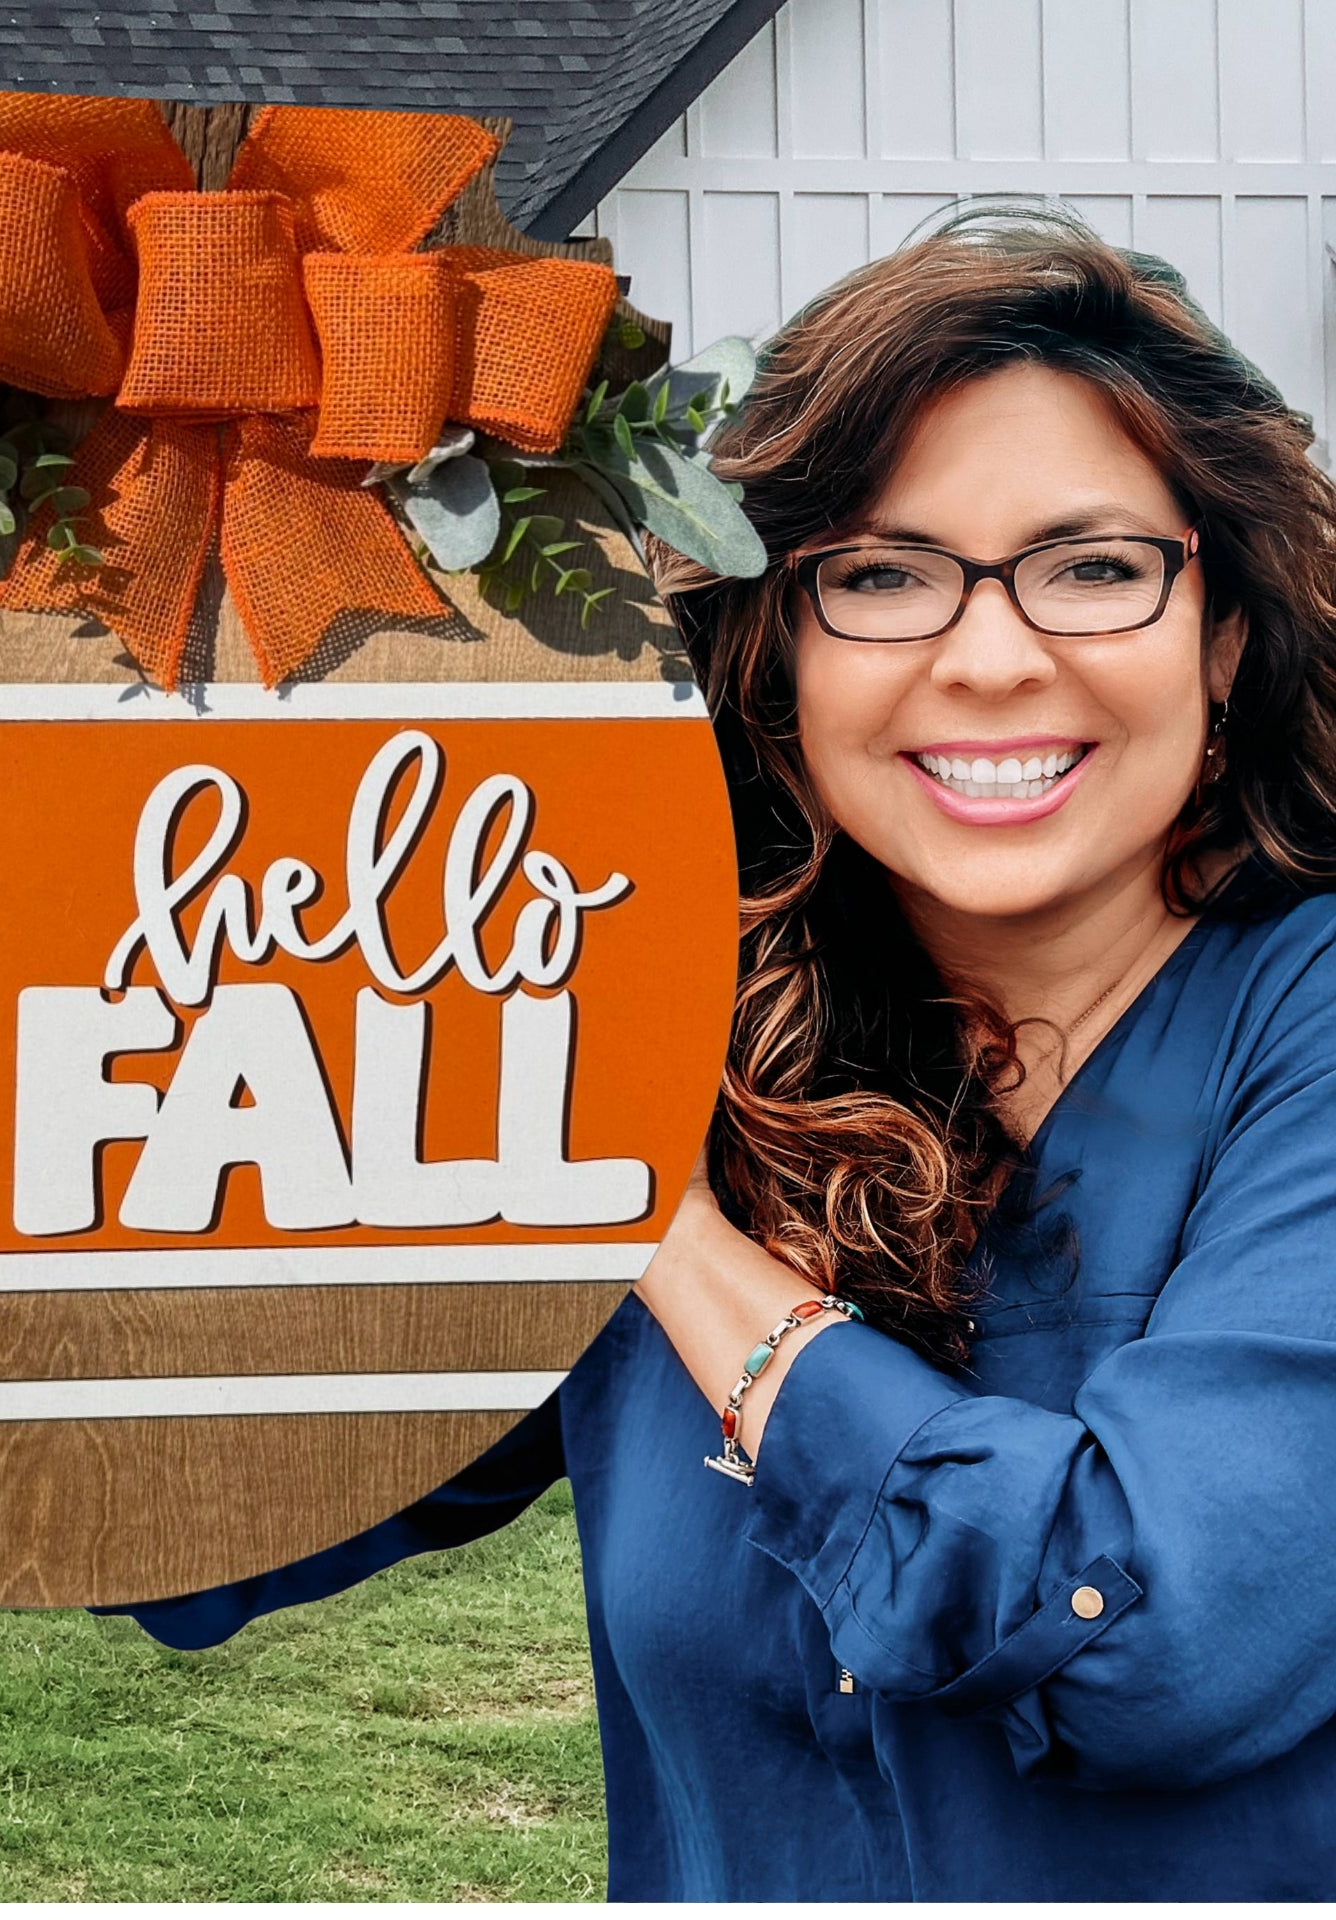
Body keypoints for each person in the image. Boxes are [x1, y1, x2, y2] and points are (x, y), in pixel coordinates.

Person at [113, 207, 1336, 1899]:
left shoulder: (1305, 1035)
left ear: (1226, 633)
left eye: (1095, 566)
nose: (991, 657)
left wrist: (659, 1225)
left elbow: (1152, 1642)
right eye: (884, 576)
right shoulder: (690, 1028)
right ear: (778, 654)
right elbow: (193, 1516)